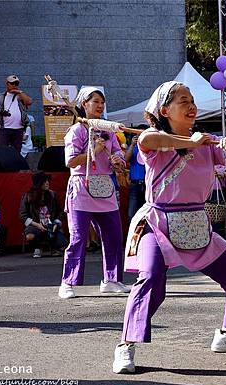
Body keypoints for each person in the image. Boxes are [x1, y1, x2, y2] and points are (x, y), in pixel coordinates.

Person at [113, 81, 226, 374]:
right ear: (165, 110)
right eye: (183, 101)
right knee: (151, 277)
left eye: (192, 100)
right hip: (157, 223)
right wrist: (193, 142)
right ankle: (125, 344)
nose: (191, 105)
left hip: (196, 223)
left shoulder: (207, 141)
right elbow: (147, 140)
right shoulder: (155, 141)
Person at [58, 86, 129, 299]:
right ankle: (67, 282)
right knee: (78, 237)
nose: (100, 105)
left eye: (102, 102)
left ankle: (111, 279)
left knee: (114, 235)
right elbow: (70, 161)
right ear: (84, 104)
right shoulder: (76, 131)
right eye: (95, 101)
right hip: (82, 187)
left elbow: (118, 152)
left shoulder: (108, 131)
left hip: (105, 187)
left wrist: (118, 161)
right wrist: (95, 151)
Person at [19, 172, 67, 258]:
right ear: (39, 183)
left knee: (62, 243)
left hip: (51, 225)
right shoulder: (28, 196)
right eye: (44, 181)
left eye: (47, 181)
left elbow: (60, 212)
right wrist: (37, 224)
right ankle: (37, 247)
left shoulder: (52, 195)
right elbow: (22, 215)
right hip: (35, 225)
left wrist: (56, 223)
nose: (47, 183)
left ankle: (55, 247)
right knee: (30, 236)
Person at [0, 75, 32, 152]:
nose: (14, 85)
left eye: (16, 84)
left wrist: (19, 92)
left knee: (17, 151)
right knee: (2, 150)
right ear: (7, 84)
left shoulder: (20, 96)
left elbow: (29, 102)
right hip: (4, 128)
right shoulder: (0, 97)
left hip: (18, 129)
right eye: (12, 83)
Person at [124, 133, 146, 221]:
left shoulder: (151, 148)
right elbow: (125, 159)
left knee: (147, 215)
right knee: (131, 215)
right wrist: (132, 144)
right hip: (135, 185)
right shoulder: (133, 147)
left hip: (148, 185)